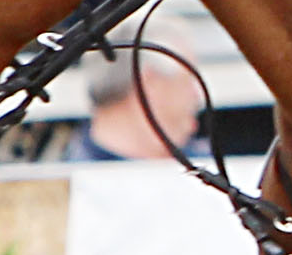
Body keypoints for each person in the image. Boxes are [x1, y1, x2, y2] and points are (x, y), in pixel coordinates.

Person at [70, 25, 204, 162]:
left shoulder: (208, 167)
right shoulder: (65, 178)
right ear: (150, 84)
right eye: (188, 80)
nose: (197, 96)